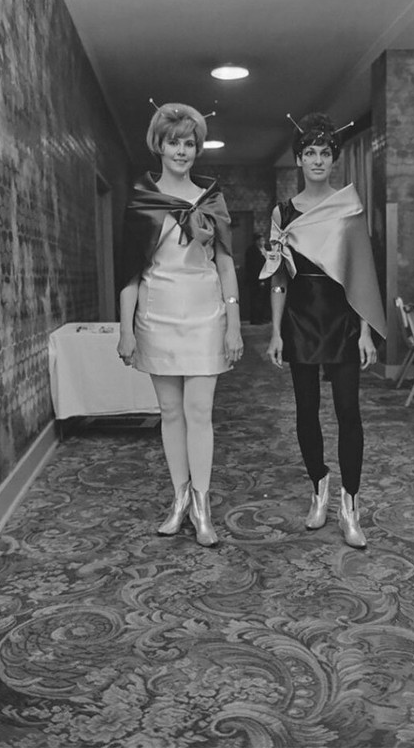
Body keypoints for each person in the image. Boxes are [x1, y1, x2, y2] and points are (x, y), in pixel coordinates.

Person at [117, 102, 243, 547]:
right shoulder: (142, 200)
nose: (182, 150)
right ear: (159, 145)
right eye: (174, 142)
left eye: (190, 143)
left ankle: (204, 505)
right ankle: (179, 500)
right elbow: (130, 271)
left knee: (199, 412)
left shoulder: (212, 199)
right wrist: (126, 328)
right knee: (170, 413)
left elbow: (226, 265)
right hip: (158, 316)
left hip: (207, 316)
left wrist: (234, 323)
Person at [263, 112, 386, 548]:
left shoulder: (349, 207)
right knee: (306, 410)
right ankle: (319, 487)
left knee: (349, 412)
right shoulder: (283, 211)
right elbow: (278, 275)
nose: (317, 159)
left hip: (343, 317)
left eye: (324, 152)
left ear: (334, 158)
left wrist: (367, 331)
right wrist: (275, 331)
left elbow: (363, 273)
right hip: (299, 317)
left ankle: (350, 506)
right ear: (298, 159)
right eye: (309, 152)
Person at [245, 233, 270, 324]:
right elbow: (254, 267)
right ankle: (255, 319)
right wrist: (260, 279)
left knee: (263, 299)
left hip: (266, 277)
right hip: (256, 278)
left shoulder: (264, 250)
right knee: (256, 299)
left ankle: (263, 317)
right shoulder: (252, 251)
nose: (263, 242)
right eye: (261, 240)